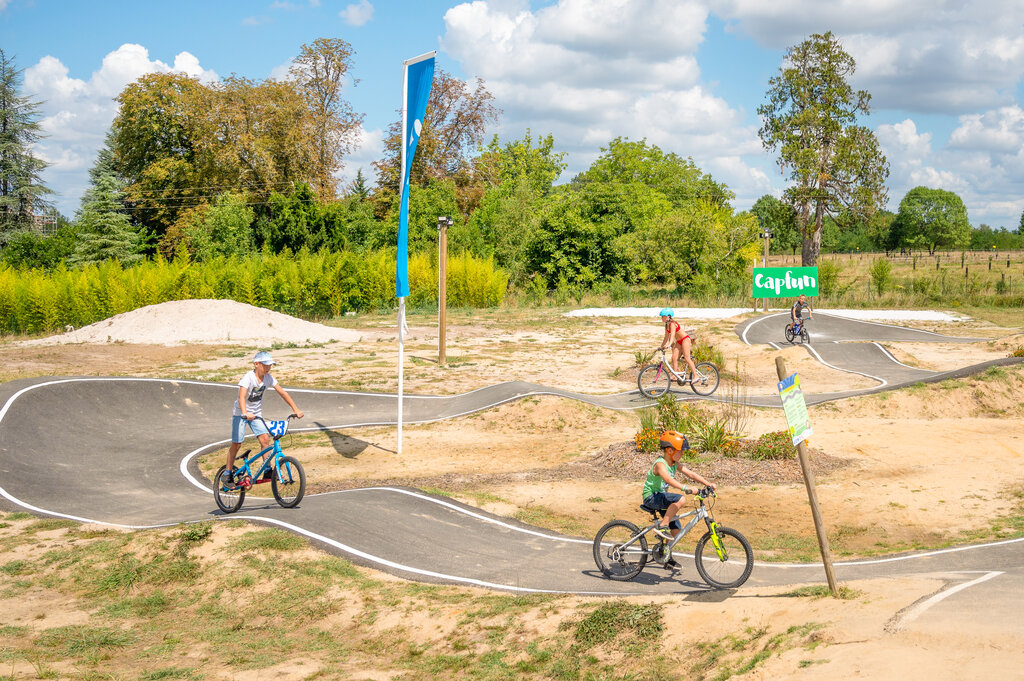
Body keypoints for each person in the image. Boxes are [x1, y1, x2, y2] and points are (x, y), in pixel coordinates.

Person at [221, 351, 304, 486]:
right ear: (256, 364)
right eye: (265, 365)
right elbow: (241, 397)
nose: (268, 368)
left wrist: (296, 409)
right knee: (237, 443)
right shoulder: (248, 378)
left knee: (265, 439)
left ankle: (267, 470)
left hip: (256, 414)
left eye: (270, 365)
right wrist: (244, 412)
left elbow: (282, 392)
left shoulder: (268, 378)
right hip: (241, 414)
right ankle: (227, 473)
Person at [642, 430, 716, 569]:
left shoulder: (675, 464)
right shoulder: (660, 464)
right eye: (680, 451)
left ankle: (665, 556)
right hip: (651, 497)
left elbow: (691, 474)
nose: (682, 453)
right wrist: (686, 488)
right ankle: (663, 526)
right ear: (669, 450)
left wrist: (708, 484)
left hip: (661, 498)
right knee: (681, 499)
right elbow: (668, 479)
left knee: (676, 531)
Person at [658, 307, 697, 385]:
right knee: (674, 357)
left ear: (668, 316)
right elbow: (666, 337)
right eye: (661, 316)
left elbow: (672, 336)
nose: (662, 318)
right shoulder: (666, 325)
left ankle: (696, 376)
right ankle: (675, 375)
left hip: (685, 339)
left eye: (663, 316)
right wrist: (661, 346)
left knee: (687, 358)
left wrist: (669, 344)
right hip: (679, 341)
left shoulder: (672, 324)